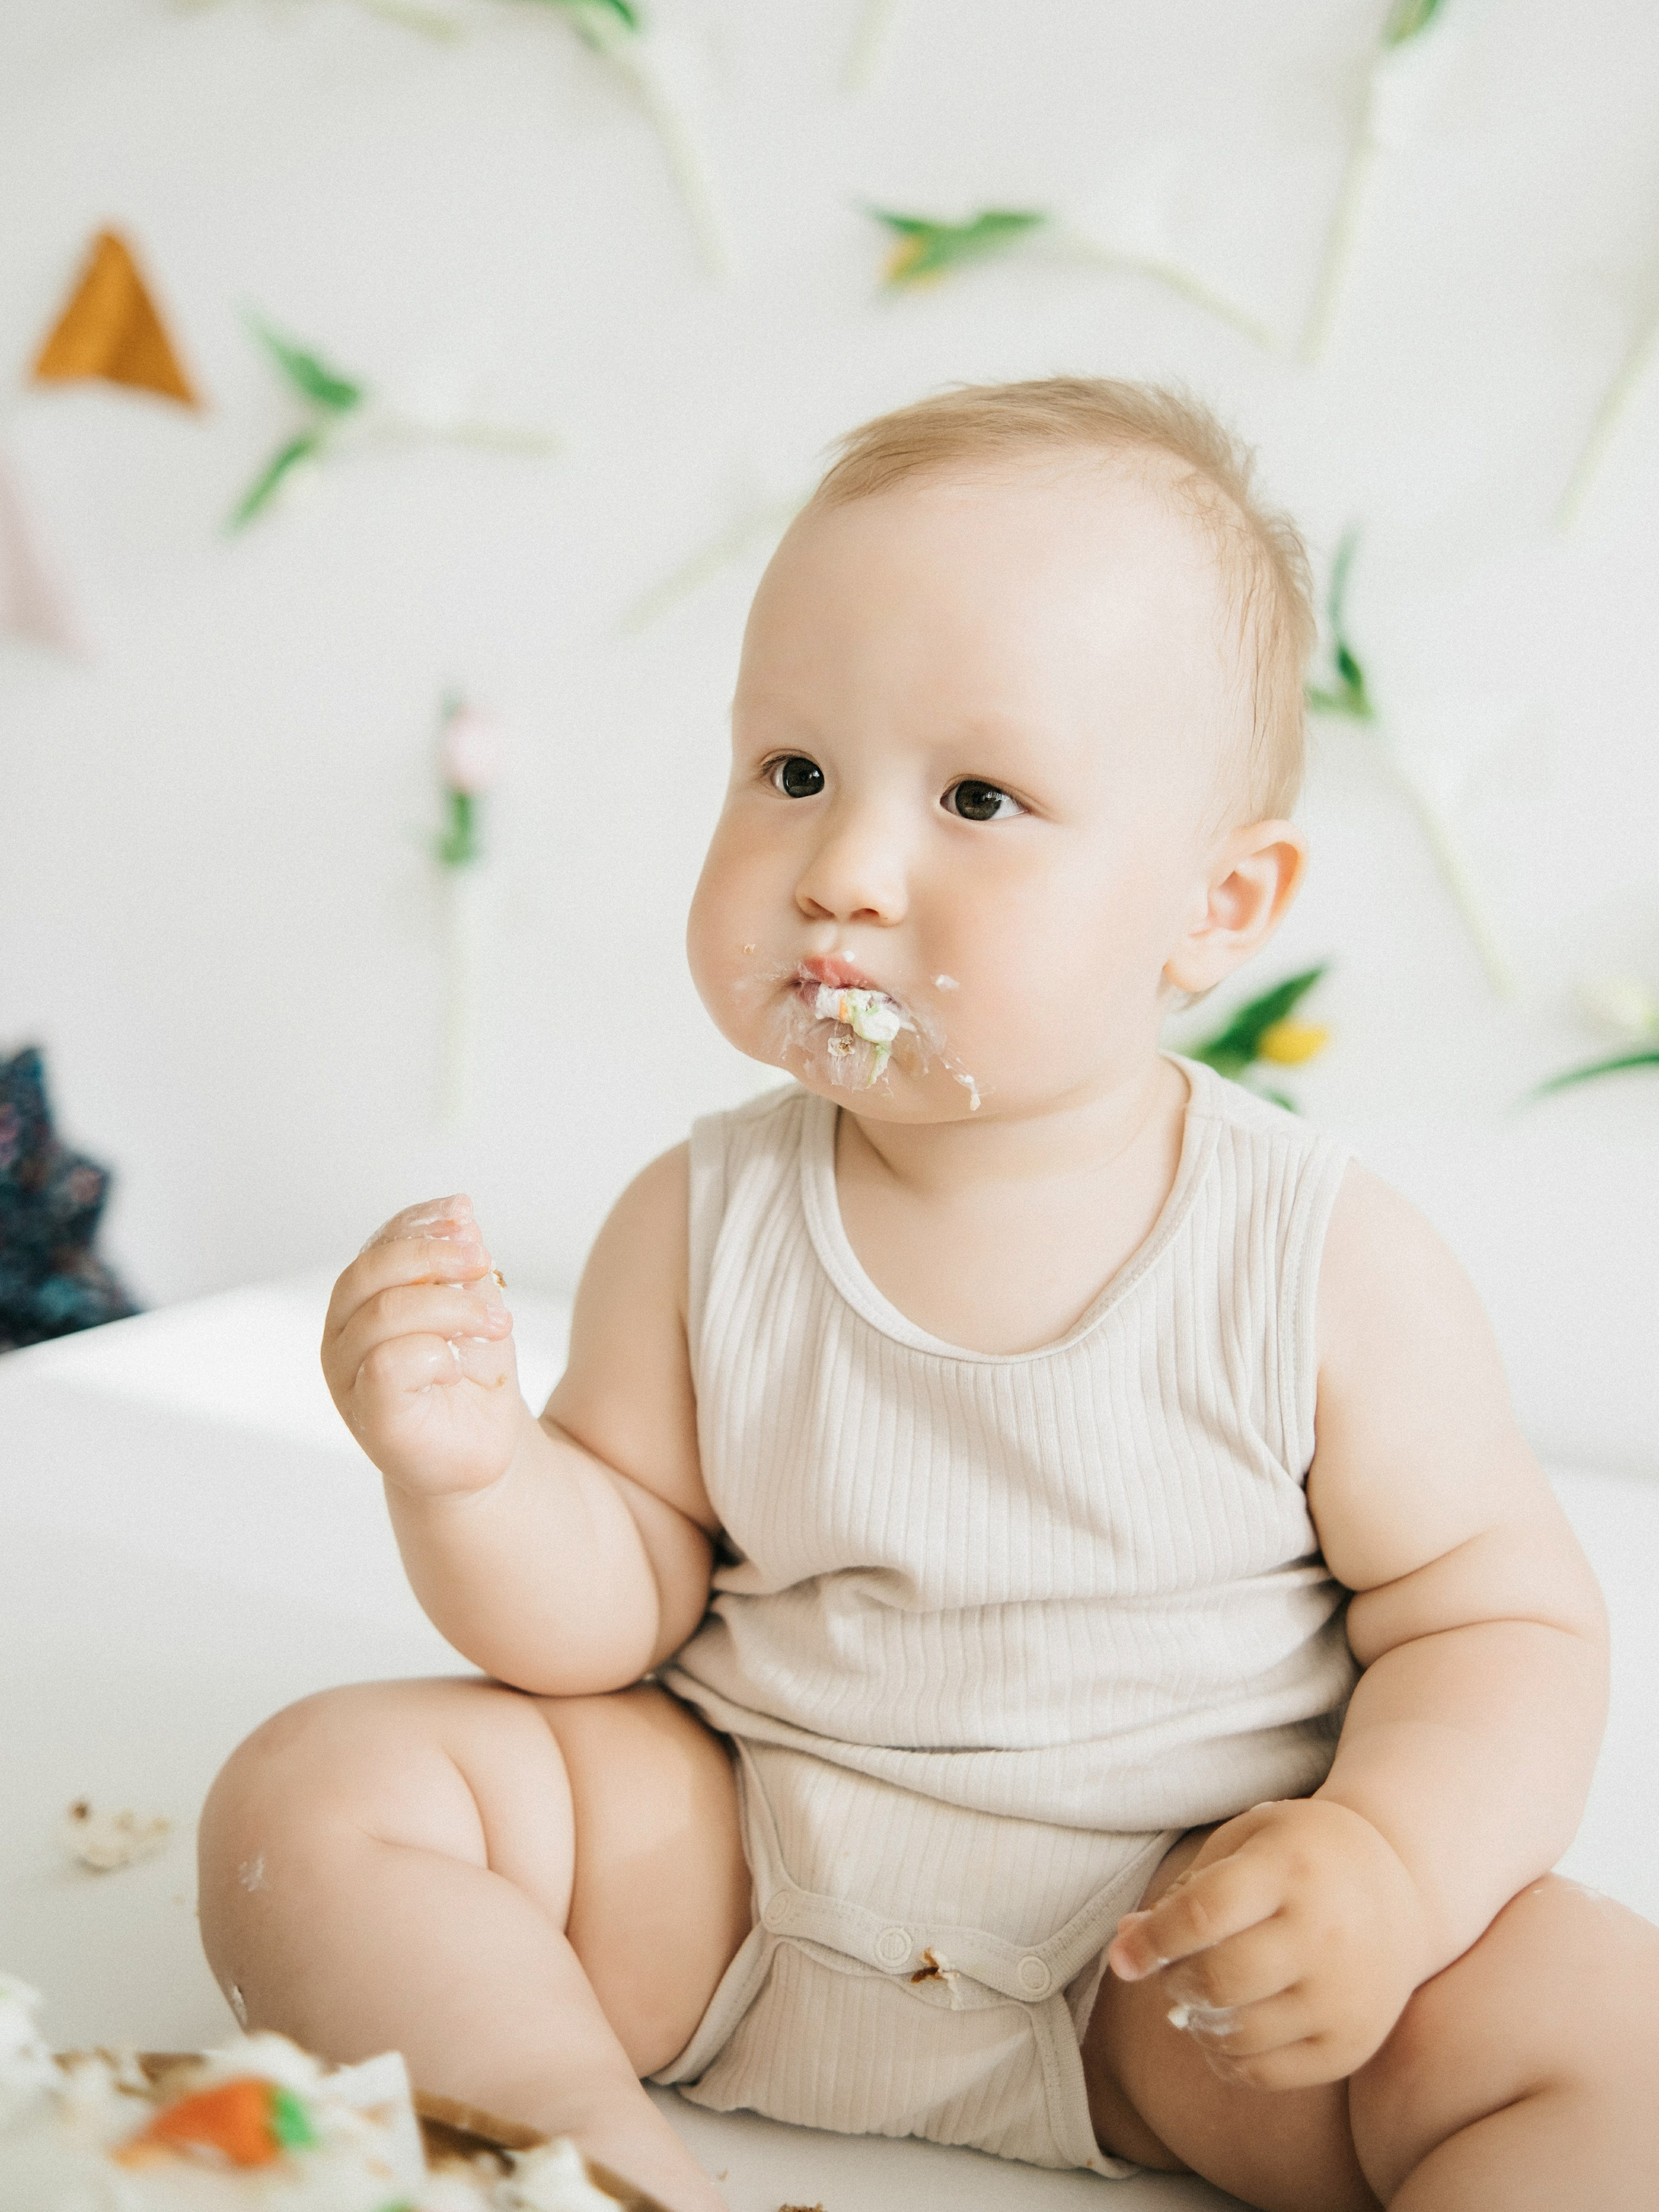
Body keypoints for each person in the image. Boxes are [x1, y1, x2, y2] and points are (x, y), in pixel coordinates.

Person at [199, 380, 1658, 2212]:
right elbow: (608, 1609)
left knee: (1604, 2026)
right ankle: (586, 2169)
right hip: (735, 1880)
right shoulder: (703, 1216)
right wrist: (473, 1476)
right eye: (793, 773)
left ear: (1215, 909)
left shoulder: (1320, 1259)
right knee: (318, 1797)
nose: (842, 875)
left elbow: (1498, 1624)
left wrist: (1390, 1865)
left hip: (1168, 1957)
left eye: (978, 797)